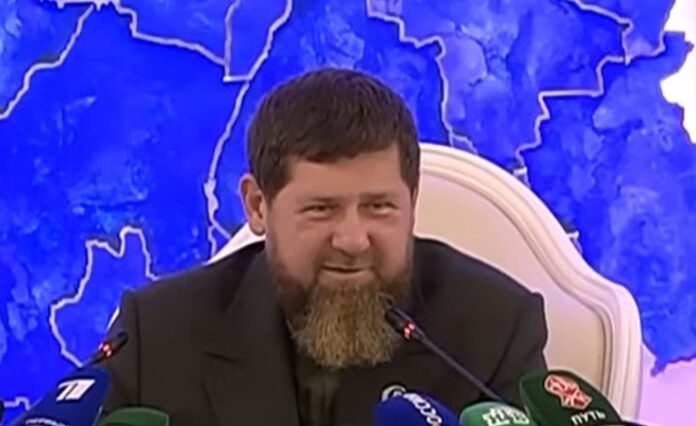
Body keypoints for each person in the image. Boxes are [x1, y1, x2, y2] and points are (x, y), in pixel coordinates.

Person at [102, 68, 548, 425]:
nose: (352, 240)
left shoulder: (495, 329)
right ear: (257, 206)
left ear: (412, 201)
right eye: (321, 209)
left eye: (378, 207)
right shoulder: (156, 334)